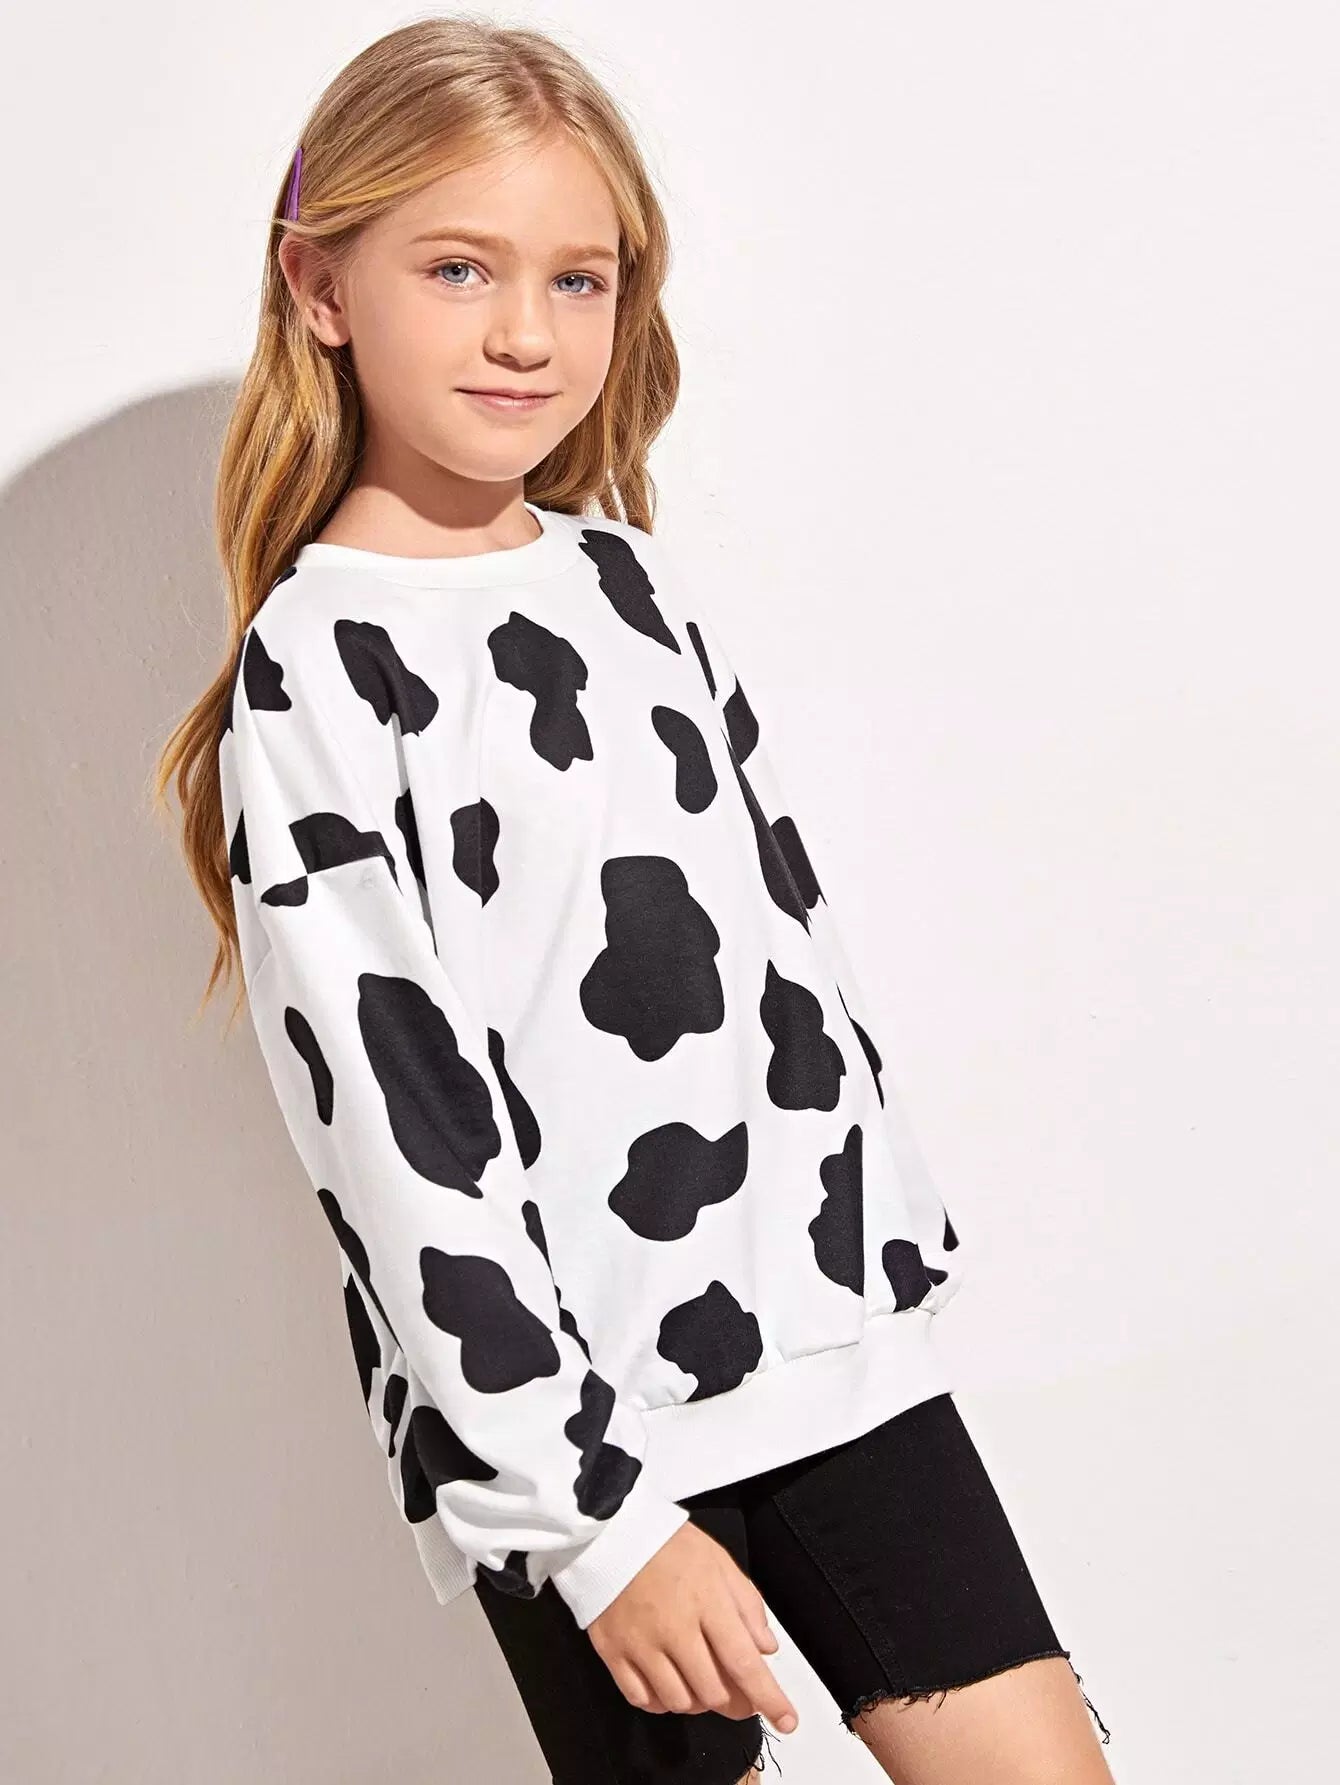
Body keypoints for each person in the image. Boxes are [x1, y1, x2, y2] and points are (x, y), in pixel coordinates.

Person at [155, 18, 1113, 1784]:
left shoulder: (627, 587)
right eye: (460, 268)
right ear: (322, 285)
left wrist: (878, 1266)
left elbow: (783, 966)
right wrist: (592, 1519)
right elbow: (397, 1139)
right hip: (582, 1439)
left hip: (831, 1356)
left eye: (577, 279)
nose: (527, 332)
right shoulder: (320, 671)